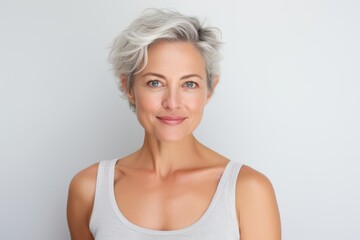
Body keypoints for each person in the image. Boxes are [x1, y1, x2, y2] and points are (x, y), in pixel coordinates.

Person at [67, 8, 281, 240]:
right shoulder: (89, 189)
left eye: (189, 84)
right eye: (155, 82)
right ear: (129, 87)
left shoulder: (248, 189)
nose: (172, 102)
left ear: (209, 90)